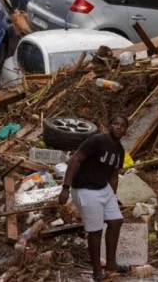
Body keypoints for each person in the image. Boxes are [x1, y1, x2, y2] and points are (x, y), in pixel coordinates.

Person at [58, 114, 129, 281]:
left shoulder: (119, 150)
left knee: (116, 221)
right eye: (115, 123)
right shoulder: (97, 141)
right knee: (95, 230)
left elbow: (113, 175)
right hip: (85, 189)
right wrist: (65, 188)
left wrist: (113, 196)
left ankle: (111, 263)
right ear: (109, 125)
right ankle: (97, 271)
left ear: (126, 131)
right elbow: (75, 160)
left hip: (103, 188)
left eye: (122, 125)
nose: (118, 127)